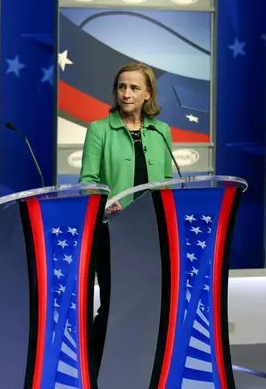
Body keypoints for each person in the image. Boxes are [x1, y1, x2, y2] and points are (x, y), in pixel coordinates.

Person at [78, 61, 174, 374]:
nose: (126, 93)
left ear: (148, 93)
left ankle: (139, 365)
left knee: (148, 303)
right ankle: (98, 369)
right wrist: (103, 205)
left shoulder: (161, 132)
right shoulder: (99, 129)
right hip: (112, 232)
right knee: (113, 304)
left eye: (134, 88)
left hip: (151, 233)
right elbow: (87, 181)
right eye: (122, 87)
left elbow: (168, 182)